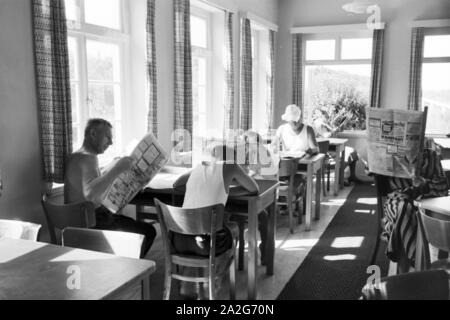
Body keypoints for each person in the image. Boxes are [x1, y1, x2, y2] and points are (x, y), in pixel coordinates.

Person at [172, 144, 259, 298]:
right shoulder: (230, 166)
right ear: (230, 158)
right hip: (206, 245)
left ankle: (189, 286)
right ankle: (214, 280)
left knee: (212, 224)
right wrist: (227, 190)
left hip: (179, 241)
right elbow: (254, 188)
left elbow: (177, 183)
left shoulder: (200, 167)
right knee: (233, 228)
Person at [64, 118, 156, 258]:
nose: (111, 142)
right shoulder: (88, 158)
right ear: (93, 133)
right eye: (107, 137)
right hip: (92, 225)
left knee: (130, 223)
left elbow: (90, 190)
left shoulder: (75, 157)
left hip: (76, 223)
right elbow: (90, 193)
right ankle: (128, 268)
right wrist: (118, 168)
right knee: (148, 231)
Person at [382, 148, 448, 273]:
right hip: (396, 200)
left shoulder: (432, 155)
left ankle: (407, 273)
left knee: (406, 214)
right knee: (403, 209)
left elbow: (443, 186)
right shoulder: (388, 152)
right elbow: (372, 171)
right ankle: (418, 266)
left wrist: (425, 186)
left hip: (425, 203)